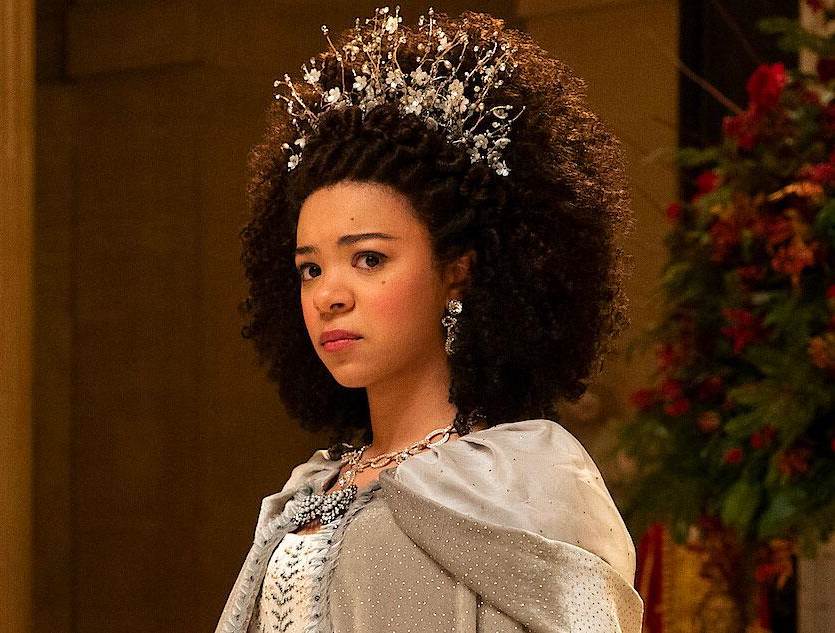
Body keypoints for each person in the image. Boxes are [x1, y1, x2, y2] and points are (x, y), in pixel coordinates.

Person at [215, 5, 643, 632]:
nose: (329, 295)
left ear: (458, 271)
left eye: (369, 258)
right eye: (310, 268)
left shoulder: (523, 484)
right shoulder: (308, 489)